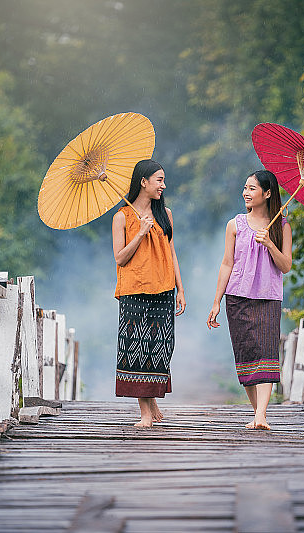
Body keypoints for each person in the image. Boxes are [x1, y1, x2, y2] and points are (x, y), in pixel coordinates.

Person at [207, 169, 292, 430]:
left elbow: (286, 265)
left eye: (252, 188)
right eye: (245, 187)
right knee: (246, 355)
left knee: (266, 353)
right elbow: (226, 264)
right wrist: (216, 302)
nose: (246, 192)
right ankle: (258, 413)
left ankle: (262, 415)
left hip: (268, 297)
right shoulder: (235, 224)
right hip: (237, 297)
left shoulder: (282, 226)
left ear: (267, 193)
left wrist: (270, 244)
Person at [112, 159, 186, 427]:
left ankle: (152, 401)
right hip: (134, 290)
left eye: (163, 180)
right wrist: (140, 233)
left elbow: (172, 252)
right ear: (143, 182)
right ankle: (145, 413)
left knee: (161, 347)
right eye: (158, 180)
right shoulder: (122, 217)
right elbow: (120, 258)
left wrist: (180, 288)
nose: (163, 185)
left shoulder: (165, 214)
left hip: (163, 289)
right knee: (137, 348)